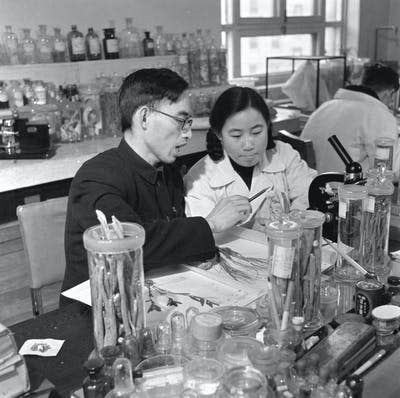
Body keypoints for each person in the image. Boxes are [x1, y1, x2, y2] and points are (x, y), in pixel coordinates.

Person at [61, 68, 251, 296]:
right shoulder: (96, 178)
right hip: (99, 309)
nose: (188, 134)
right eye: (181, 121)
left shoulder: (168, 170)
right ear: (144, 117)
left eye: (189, 122)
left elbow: (168, 239)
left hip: (158, 292)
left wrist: (195, 253)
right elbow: (132, 244)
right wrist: (210, 225)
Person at [184, 86, 317, 228]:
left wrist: (291, 221)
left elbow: (309, 196)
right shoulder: (200, 178)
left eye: (256, 132)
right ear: (218, 134)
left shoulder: (283, 154)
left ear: (267, 126)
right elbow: (203, 235)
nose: (248, 145)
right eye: (236, 135)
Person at [301, 63, 400, 174]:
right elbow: (388, 171)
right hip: (348, 188)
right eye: (392, 97)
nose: (391, 103)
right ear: (389, 93)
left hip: (312, 185)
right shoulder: (380, 115)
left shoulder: (326, 106)